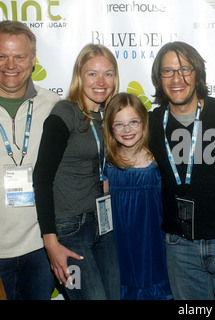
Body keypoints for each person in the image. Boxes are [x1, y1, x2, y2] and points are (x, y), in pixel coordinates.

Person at [148, 41, 215, 300]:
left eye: (185, 69)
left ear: (197, 74)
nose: (177, 78)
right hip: (179, 246)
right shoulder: (151, 123)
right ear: (158, 78)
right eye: (168, 71)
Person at [33, 44, 121, 300]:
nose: (101, 81)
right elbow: (41, 178)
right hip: (69, 230)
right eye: (92, 73)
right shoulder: (64, 113)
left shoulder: (108, 114)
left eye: (108, 73)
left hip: (104, 225)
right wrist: (51, 242)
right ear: (79, 76)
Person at [0, 20, 60, 300]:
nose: (10, 64)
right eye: (1, 56)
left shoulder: (54, 106)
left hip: (40, 247)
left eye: (19, 56)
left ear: (33, 59)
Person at [102, 92, 172, 300]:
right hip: (119, 245)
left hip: (155, 244)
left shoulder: (159, 159)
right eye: (119, 124)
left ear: (144, 123)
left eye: (133, 122)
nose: (127, 130)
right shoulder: (106, 165)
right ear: (110, 129)